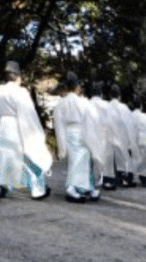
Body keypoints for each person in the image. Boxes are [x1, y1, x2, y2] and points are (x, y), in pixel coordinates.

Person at [0, 61, 52, 200]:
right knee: (27, 159)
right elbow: (28, 115)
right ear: (18, 76)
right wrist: (36, 134)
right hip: (16, 128)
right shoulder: (21, 92)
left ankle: (1, 186)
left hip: (2, 129)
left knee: (4, 159)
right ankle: (38, 189)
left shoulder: (0, 91)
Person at [52, 72, 104, 203]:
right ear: (77, 87)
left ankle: (80, 187)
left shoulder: (60, 103)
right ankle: (71, 188)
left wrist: (61, 144)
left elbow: (58, 124)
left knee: (75, 162)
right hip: (82, 133)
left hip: (68, 133)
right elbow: (92, 120)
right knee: (82, 161)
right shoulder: (84, 102)